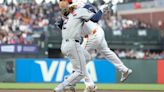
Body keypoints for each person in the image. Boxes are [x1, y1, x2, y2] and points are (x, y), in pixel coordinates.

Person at [66, 1, 133, 92]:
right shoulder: (74, 17)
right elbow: (92, 15)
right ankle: (124, 70)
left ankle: (88, 85)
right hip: (97, 32)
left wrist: (101, 9)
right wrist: (101, 9)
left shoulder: (77, 13)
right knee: (107, 52)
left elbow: (94, 17)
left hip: (92, 36)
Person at [54, 0, 108, 92]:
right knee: (81, 72)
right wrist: (101, 10)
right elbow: (95, 18)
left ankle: (70, 79)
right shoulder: (79, 11)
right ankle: (61, 87)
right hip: (73, 44)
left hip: (64, 44)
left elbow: (60, 24)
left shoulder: (65, 17)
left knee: (87, 57)